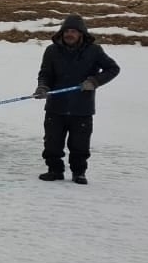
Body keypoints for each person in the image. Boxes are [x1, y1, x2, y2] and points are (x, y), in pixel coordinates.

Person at [34, 14, 120, 184]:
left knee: (79, 144)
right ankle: (54, 170)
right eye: (66, 31)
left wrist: (94, 82)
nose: (69, 34)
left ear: (81, 33)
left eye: (73, 31)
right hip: (55, 107)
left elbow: (113, 68)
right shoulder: (52, 51)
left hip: (82, 108)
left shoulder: (94, 51)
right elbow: (45, 74)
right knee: (52, 143)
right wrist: (43, 87)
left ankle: (79, 173)